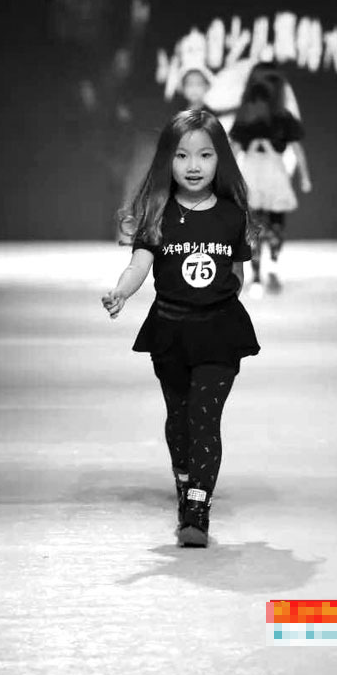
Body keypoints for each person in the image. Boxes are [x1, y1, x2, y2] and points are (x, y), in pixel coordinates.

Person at [102, 109, 260, 548]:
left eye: (205, 155)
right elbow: (139, 264)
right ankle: (185, 478)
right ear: (166, 161)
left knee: (204, 418)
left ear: (220, 159)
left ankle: (196, 507)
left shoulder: (232, 216)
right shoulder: (157, 213)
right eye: (182, 155)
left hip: (219, 333)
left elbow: (236, 274)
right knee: (179, 418)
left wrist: (218, 302)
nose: (194, 166)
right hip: (170, 332)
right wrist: (121, 292)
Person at [230, 62, 312, 297]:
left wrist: (305, 176)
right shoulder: (245, 117)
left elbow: (297, 148)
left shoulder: (282, 117)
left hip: (273, 172)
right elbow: (234, 149)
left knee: (275, 223)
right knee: (255, 227)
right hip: (254, 173)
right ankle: (257, 275)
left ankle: (273, 267)